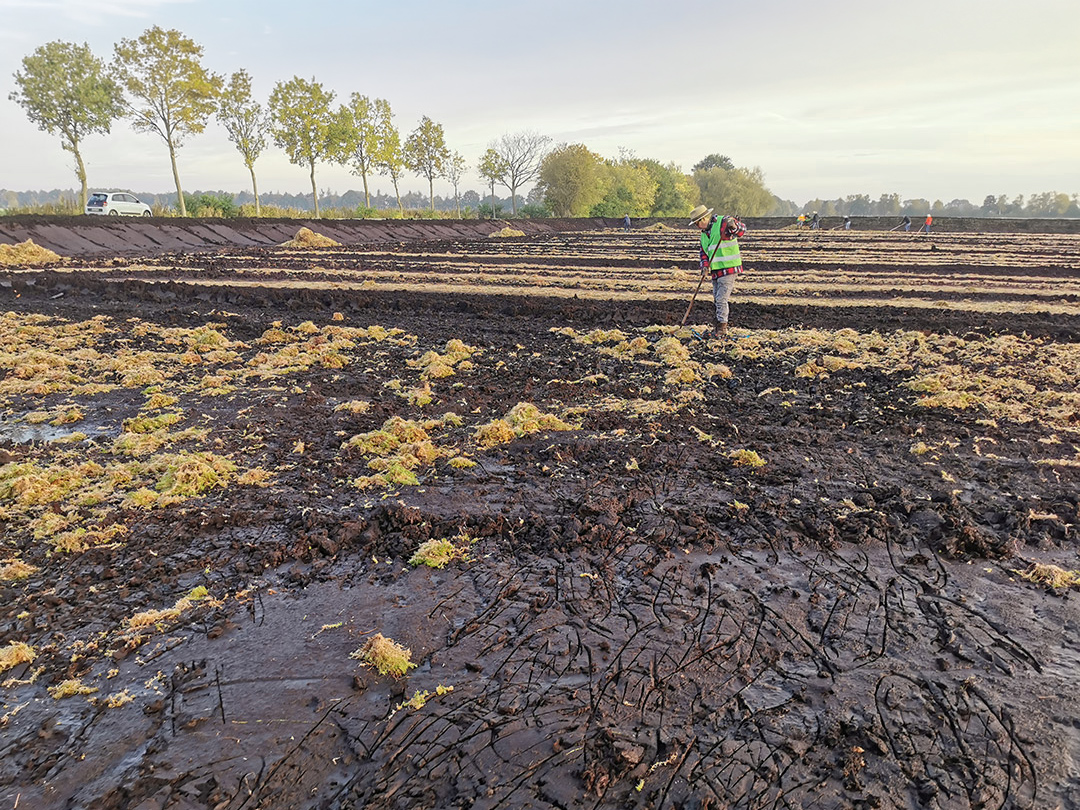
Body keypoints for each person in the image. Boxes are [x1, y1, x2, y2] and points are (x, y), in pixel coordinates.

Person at [689, 204, 743, 338]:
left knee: (721, 299)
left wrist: (734, 227)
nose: (697, 227)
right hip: (716, 271)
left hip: (729, 268)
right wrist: (705, 267)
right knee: (716, 299)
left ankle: (722, 329)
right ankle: (718, 325)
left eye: (696, 224)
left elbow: (741, 231)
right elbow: (703, 253)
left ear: (702, 220)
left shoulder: (723, 222)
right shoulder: (703, 235)